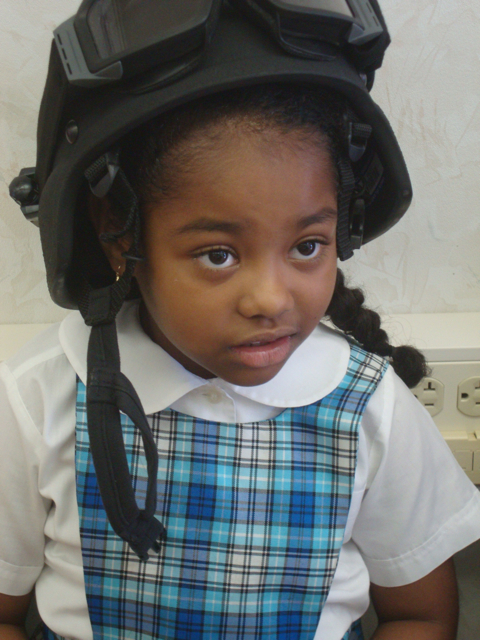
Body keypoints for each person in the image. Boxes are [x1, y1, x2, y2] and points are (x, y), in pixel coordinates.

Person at [2, 2, 480, 639]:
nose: (270, 299)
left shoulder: (371, 410)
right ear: (118, 236)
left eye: (308, 245)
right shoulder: (39, 399)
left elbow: (420, 614)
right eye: (218, 255)